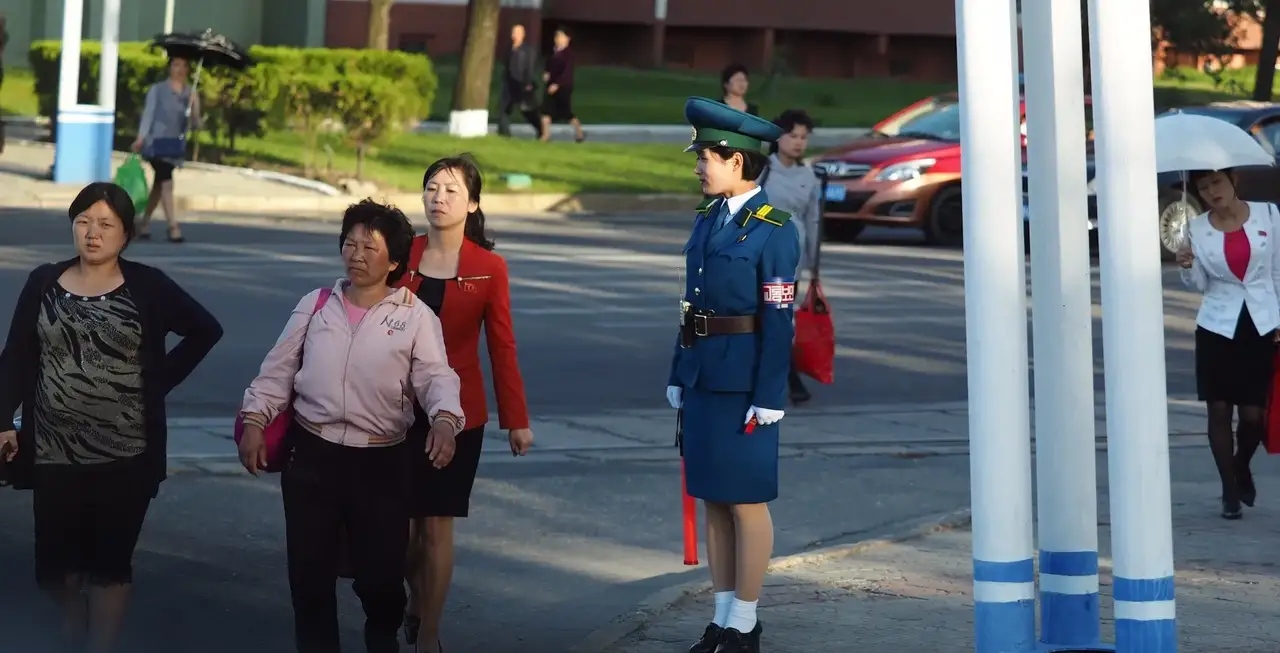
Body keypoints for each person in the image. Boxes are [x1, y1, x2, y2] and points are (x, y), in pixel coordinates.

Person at [0, 181, 222, 653]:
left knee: (110, 566)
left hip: (126, 456)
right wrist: (2, 420)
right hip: (54, 453)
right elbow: (16, 356)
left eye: (105, 225)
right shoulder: (43, 282)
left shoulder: (148, 286)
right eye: (83, 222)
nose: (92, 234)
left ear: (126, 234)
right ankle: (73, 619)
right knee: (52, 572)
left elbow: (205, 329)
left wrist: (158, 379)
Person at [238, 199, 464, 653]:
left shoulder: (415, 315)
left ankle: (384, 631)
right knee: (309, 577)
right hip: (313, 455)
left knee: (380, 578)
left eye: (370, 246)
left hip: (381, 463)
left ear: (395, 260)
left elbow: (436, 376)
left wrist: (444, 420)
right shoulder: (316, 303)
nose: (356, 254)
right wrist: (255, 420)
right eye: (350, 243)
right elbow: (278, 370)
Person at [666, 97, 799, 653]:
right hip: (702, 375)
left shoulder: (775, 229)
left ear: (737, 160)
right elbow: (690, 302)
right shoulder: (706, 218)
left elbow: (779, 320)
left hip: (745, 384)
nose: (698, 166)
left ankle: (746, 619)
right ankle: (722, 618)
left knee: (746, 501)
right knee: (714, 499)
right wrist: (678, 369)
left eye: (706, 158)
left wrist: (769, 394)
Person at [397, 155, 534, 653]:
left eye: (452, 190)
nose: (439, 198)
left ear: (472, 203)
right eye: (432, 187)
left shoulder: (488, 268)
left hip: (457, 417)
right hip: (393, 410)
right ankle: (414, 599)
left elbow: (502, 347)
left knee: (436, 523)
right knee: (401, 530)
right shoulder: (399, 253)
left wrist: (516, 421)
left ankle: (428, 633)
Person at [1176, 168, 1280, 520]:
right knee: (1218, 409)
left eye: (1217, 183)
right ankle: (1229, 491)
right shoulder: (1197, 228)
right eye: (1204, 188)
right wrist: (1187, 265)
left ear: (1233, 181)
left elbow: (1277, 270)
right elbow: (1199, 284)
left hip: (1261, 322)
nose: (1212, 192)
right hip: (1217, 325)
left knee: (1253, 414)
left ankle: (1240, 465)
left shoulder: (1268, 213)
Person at [763, 109, 823, 404]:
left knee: (777, 318)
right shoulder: (760, 170)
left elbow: (813, 220)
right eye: (793, 135)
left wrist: (814, 263)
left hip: (789, 261)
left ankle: (786, 378)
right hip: (755, 258)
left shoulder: (810, 175)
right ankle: (788, 379)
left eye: (804, 137)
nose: (799, 142)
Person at [131, 55, 201, 243]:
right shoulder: (158, 90)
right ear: (169, 67)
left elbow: (196, 125)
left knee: (159, 185)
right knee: (166, 181)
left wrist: (194, 107)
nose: (180, 69)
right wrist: (141, 138)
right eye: (176, 65)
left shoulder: (190, 93)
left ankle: (144, 223)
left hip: (174, 146)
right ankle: (173, 226)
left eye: (184, 65)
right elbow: (148, 115)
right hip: (155, 143)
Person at [539, 26, 586, 143]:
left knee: (566, 113)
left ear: (567, 39)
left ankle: (579, 133)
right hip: (550, 86)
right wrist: (546, 73)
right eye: (557, 36)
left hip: (563, 87)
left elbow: (567, 72)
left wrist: (557, 84)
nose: (558, 39)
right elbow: (548, 65)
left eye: (561, 36)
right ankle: (545, 135)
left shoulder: (568, 54)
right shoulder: (553, 52)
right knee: (545, 111)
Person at [497, 24, 542, 139]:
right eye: (513, 33)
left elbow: (529, 68)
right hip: (509, 84)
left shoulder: (527, 50)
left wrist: (528, 83)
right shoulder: (509, 49)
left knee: (527, 110)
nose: (514, 35)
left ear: (522, 35)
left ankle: (541, 129)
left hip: (522, 84)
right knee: (503, 108)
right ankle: (504, 134)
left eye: (517, 33)